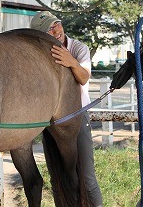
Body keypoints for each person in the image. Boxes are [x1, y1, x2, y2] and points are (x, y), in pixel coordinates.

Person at [30, 11, 103, 207]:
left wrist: (71, 62)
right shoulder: (42, 53)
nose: (55, 31)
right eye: (49, 29)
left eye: (56, 24)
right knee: (57, 176)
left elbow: (84, 77)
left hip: (77, 117)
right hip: (51, 119)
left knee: (87, 178)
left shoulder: (78, 48)